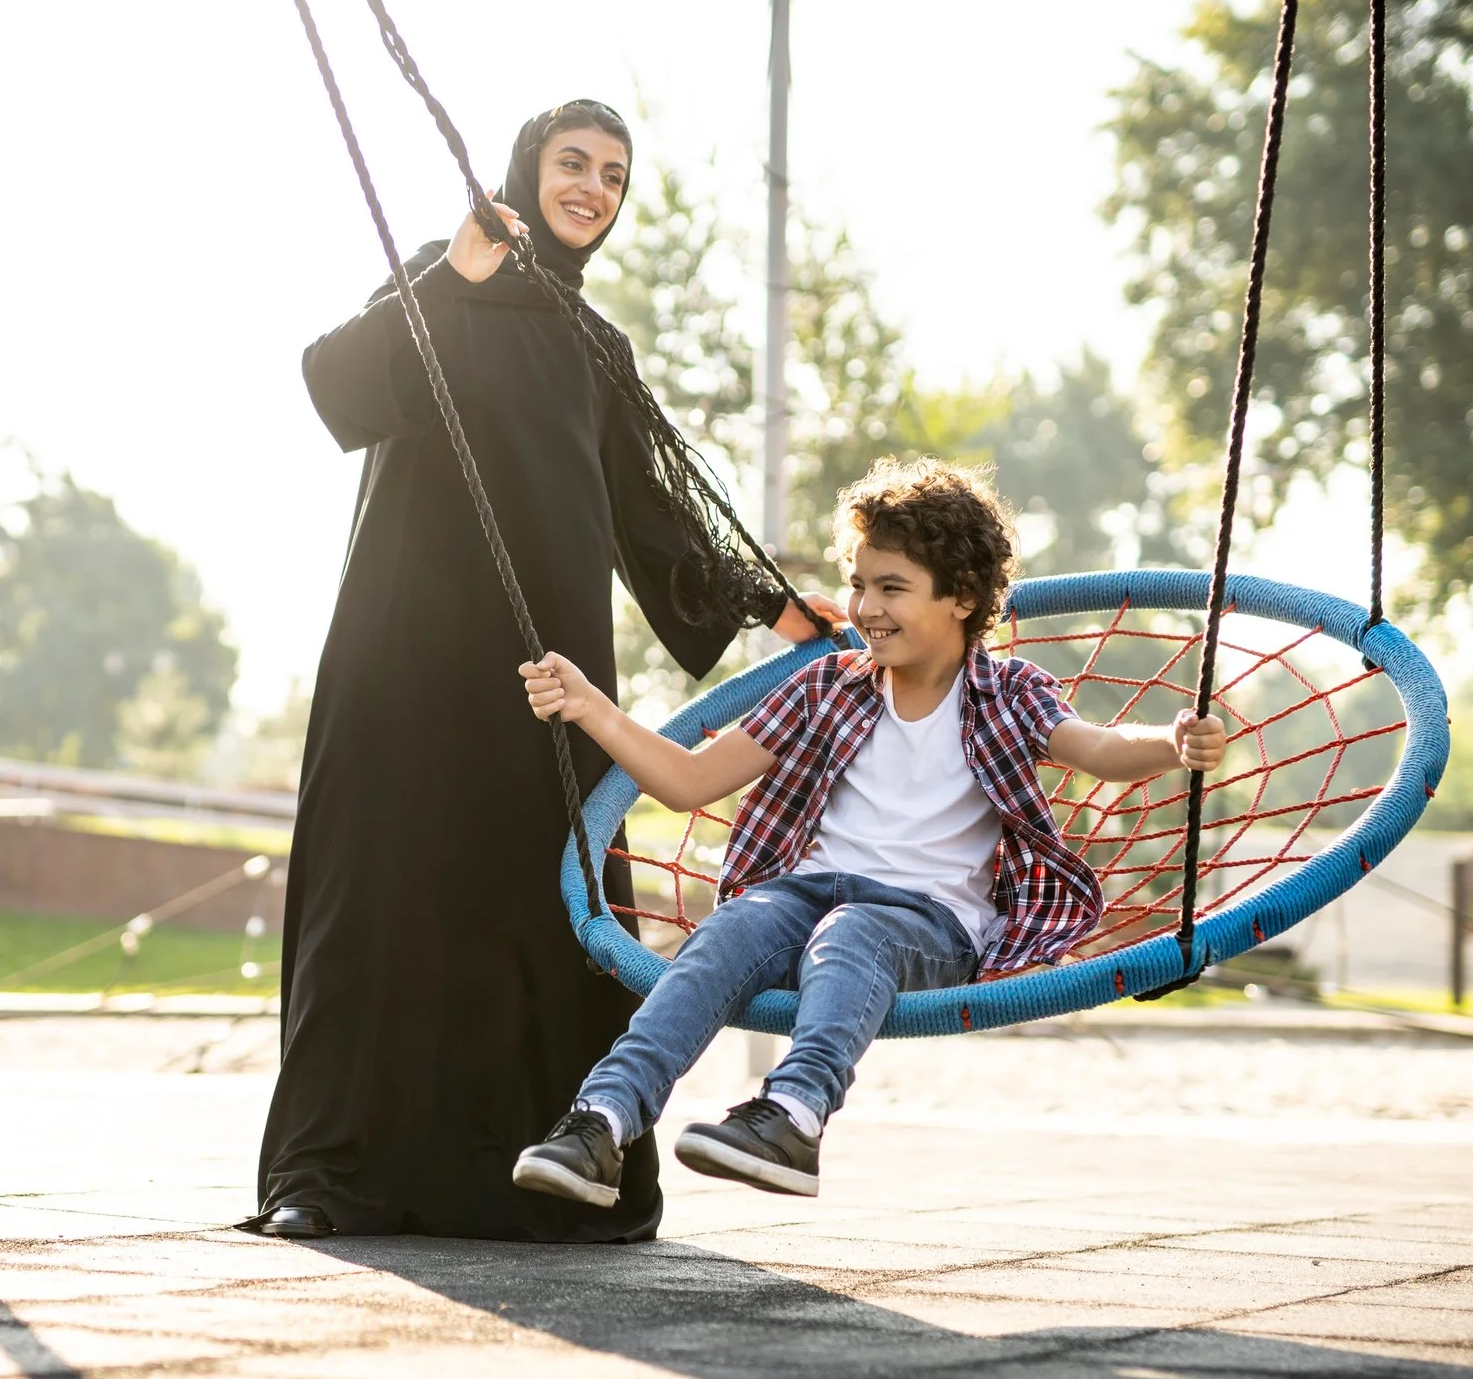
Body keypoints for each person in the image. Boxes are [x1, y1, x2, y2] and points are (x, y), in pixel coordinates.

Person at [247, 100, 837, 1242]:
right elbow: (336, 385)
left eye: (613, 176)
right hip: (404, 652)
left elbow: (655, 512)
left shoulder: (592, 343)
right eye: (572, 165)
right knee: (381, 892)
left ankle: (558, 1166)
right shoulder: (442, 279)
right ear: (523, 171)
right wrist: (454, 277)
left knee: (547, 897)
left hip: (548, 670)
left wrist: (774, 605)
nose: (592, 190)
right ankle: (327, 1176)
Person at [508, 457, 1228, 1208]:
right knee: (732, 927)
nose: (866, 605)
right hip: (803, 901)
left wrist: (1173, 742)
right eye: (858, 583)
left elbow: (1099, 750)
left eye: (892, 587)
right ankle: (603, 1119)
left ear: (963, 597)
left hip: (926, 925)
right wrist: (593, 708)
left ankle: (793, 1113)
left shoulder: (1008, 693)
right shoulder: (828, 685)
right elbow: (690, 781)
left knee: (856, 930)